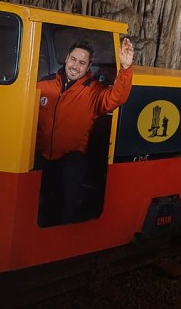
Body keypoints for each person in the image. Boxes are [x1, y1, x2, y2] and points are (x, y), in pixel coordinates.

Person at [35, 38, 134, 224]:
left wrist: (126, 68)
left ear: (88, 66)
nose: (75, 66)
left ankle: (65, 234)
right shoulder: (44, 85)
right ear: (66, 58)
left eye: (82, 63)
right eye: (73, 59)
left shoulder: (93, 91)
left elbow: (116, 98)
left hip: (71, 159)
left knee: (67, 188)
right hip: (41, 156)